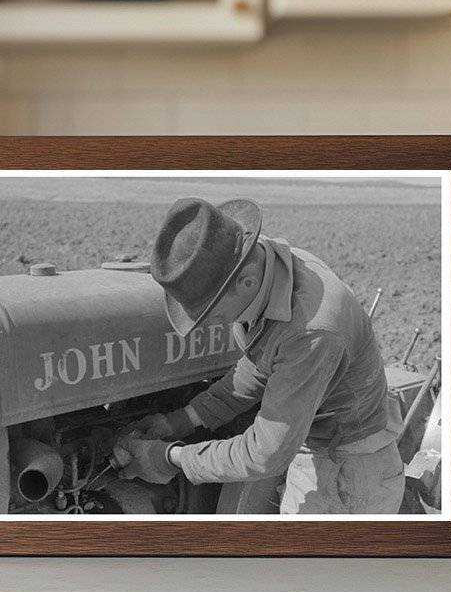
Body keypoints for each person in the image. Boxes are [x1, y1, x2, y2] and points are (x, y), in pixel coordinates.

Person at [112, 197, 405, 515]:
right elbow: (259, 364)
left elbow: (265, 454)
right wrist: (179, 421)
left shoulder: (311, 330)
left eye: (210, 312)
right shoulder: (276, 267)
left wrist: (168, 458)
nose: (207, 324)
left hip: (348, 473)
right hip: (314, 445)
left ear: (247, 281)